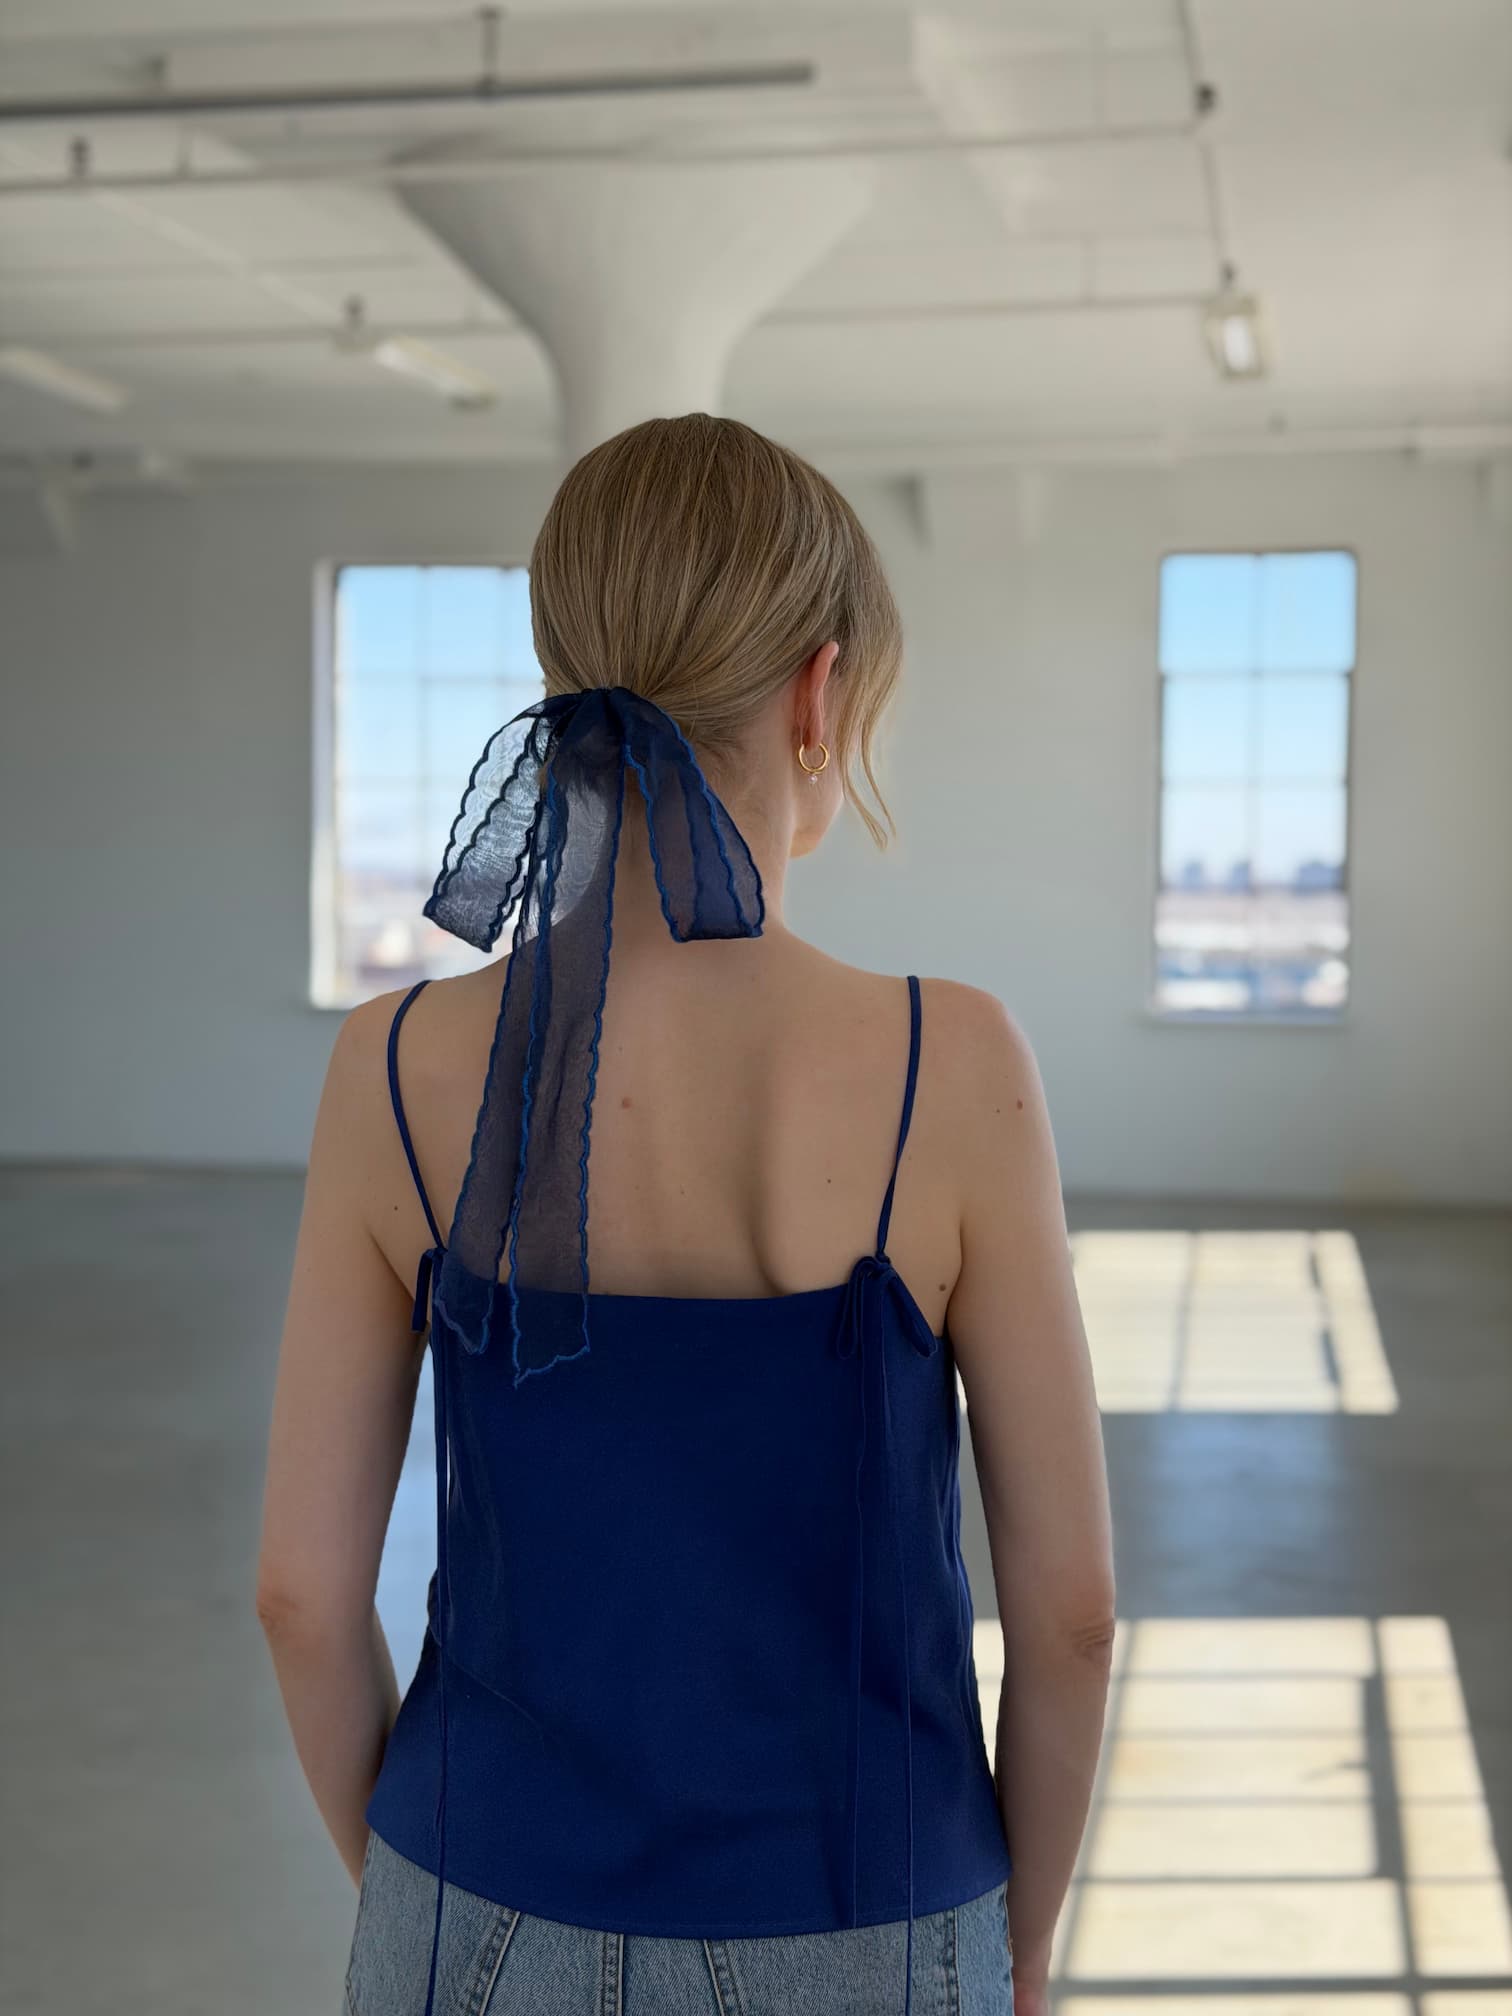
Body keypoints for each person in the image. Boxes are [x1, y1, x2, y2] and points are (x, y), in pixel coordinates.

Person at [257, 413, 1114, 2016]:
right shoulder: (954, 1058)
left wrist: (419, 1898)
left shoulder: (390, 1065)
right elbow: (1071, 1618)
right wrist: (1027, 1944)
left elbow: (300, 1597)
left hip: (476, 1896)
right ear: (819, 691)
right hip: (874, 1916)